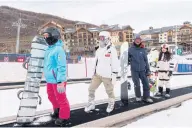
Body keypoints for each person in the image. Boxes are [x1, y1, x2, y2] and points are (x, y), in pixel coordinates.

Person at [84, 31, 119, 113]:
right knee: (91, 89)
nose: (101, 39)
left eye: (102, 38)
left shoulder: (111, 49)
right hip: (98, 75)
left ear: (107, 38)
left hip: (107, 75)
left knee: (109, 91)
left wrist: (114, 75)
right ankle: (91, 104)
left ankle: (111, 103)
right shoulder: (99, 49)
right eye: (100, 38)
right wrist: (93, 73)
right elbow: (96, 62)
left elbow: (115, 63)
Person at [42, 27, 70, 126]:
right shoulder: (48, 49)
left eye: (47, 36)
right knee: (51, 96)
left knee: (61, 99)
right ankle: (57, 110)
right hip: (50, 79)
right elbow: (46, 63)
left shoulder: (58, 50)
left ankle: (64, 117)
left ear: (54, 36)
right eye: (44, 36)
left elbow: (61, 67)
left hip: (58, 80)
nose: (45, 38)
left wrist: (61, 81)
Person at [128, 34, 153, 103]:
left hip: (143, 70)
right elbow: (127, 60)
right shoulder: (130, 49)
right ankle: (138, 96)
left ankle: (146, 97)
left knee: (146, 84)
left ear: (140, 40)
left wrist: (148, 70)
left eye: (139, 39)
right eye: (136, 39)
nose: (137, 41)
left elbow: (146, 60)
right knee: (137, 84)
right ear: (134, 40)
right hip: (134, 70)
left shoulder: (143, 49)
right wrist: (128, 61)